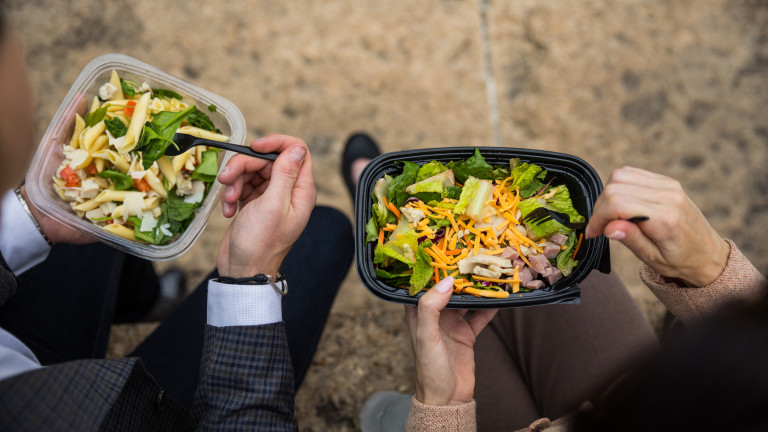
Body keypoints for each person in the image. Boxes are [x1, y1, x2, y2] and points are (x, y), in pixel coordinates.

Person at [0, 7, 353, 430]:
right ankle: (150, 300)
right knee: (326, 230)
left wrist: (31, 219)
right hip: (106, 412)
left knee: (96, 232)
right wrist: (250, 277)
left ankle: (148, 301)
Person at [345, 134, 767, 431]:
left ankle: (391, 418)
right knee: (569, 287)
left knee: (443, 338)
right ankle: (386, 199)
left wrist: (442, 409)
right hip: (636, 403)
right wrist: (711, 272)